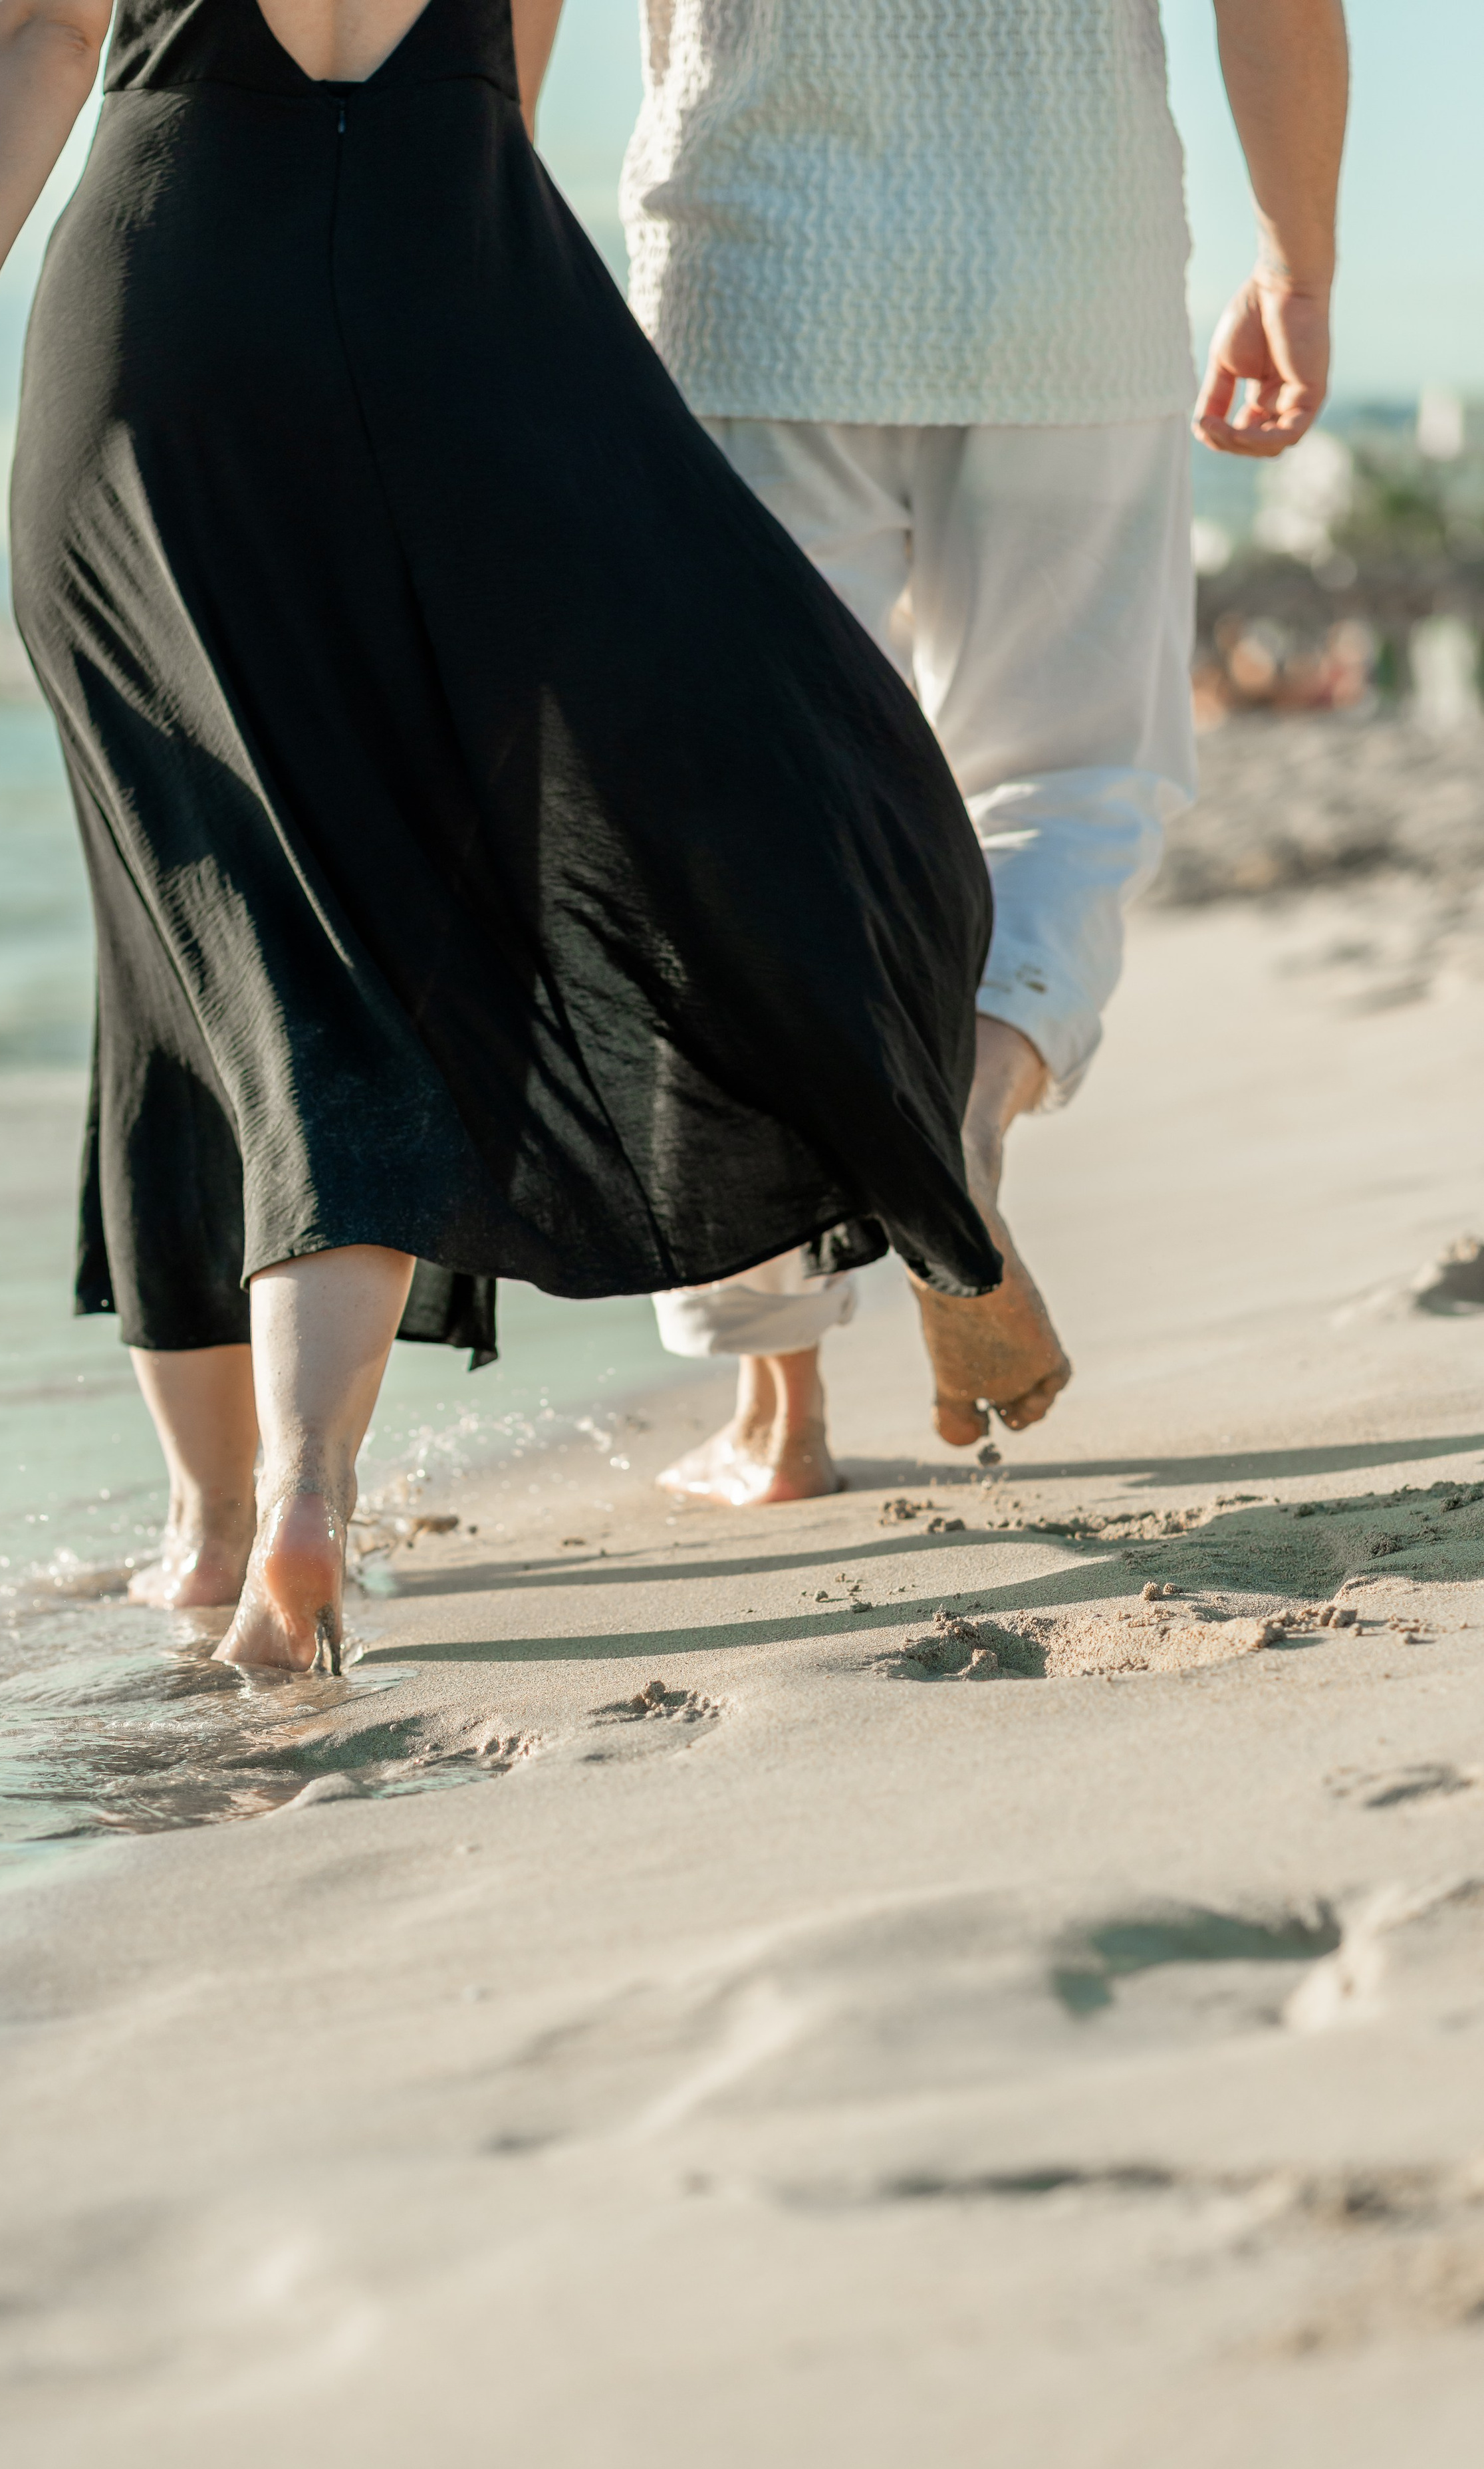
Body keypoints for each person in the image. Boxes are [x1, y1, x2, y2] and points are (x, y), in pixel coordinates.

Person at [0, 0, 1003, 1671]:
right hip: (460, 309)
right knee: (379, 932)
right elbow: (504, 82)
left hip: (173, 311)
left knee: (189, 937)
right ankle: (310, 1485)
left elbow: (35, 28)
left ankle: (218, 1527)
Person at [627, 0, 1349, 1505]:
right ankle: (973, 1088)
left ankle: (780, 1409)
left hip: (754, 269)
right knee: (1073, 777)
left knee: (747, 832)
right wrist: (1295, 265)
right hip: (1067, 272)